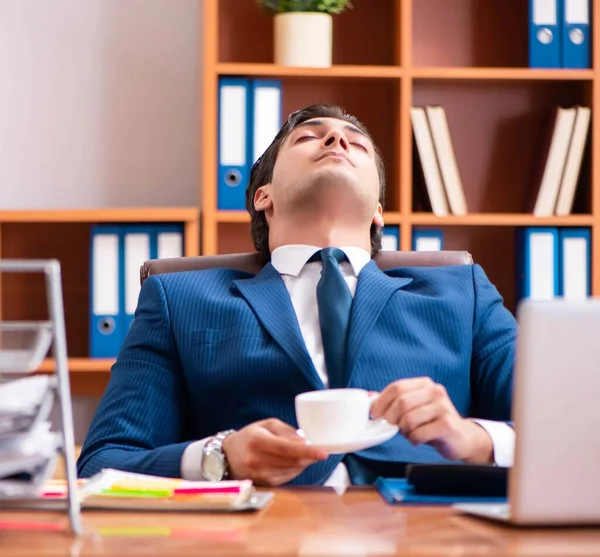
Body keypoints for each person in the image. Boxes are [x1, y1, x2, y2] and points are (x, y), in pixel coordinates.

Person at [77, 103, 516, 487]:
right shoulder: (179, 299)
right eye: (309, 137)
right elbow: (103, 464)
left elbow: (573, 433)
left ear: (379, 210)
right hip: (260, 535)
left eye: (356, 144)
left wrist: (475, 439)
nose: (335, 139)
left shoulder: (464, 291)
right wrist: (220, 456)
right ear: (262, 196)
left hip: (430, 534)